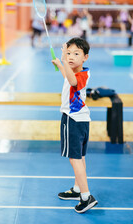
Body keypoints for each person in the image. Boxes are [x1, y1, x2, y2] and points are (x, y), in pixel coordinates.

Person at [52, 37, 98, 213]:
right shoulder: (78, 72)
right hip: (82, 121)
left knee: (74, 158)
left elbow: (72, 81)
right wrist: (62, 65)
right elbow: (67, 79)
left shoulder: (80, 75)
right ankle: (77, 190)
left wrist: (63, 59)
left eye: (76, 54)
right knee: (80, 157)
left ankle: (86, 197)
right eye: (69, 52)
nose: (71, 56)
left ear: (85, 57)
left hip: (73, 120)